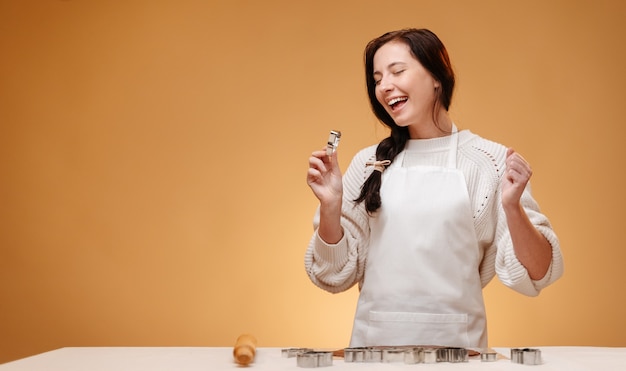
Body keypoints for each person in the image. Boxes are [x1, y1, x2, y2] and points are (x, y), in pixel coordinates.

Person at [304, 28, 563, 350]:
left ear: (437, 76)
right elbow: (333, 276)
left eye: (397, 71)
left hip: (458, 351)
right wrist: (330, 207)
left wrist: (513, 208)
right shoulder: (368, 163)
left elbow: (539, 273)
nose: (385, 86)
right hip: (373, 351)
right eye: (377, 78)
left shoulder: (492, 162)